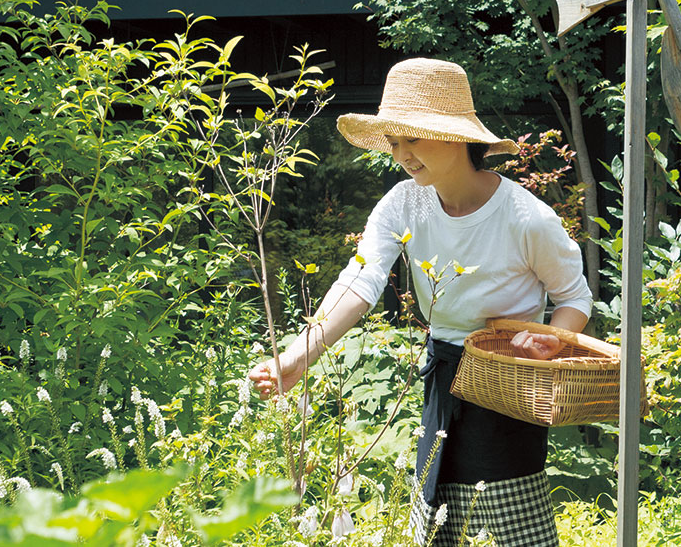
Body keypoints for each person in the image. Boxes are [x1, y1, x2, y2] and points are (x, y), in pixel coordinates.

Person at [248, 58, 591, 547]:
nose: (403, 155)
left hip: (510, 382)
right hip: (443, 376)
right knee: (435, 522)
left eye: (414, 137)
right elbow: (361, 281)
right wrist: (299, 356)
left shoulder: (525, 218)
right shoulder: (402, 204)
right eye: (395, 142)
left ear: (456, 135)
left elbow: (574, 296)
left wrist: (544, 343)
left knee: (518, 530)